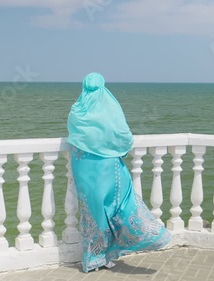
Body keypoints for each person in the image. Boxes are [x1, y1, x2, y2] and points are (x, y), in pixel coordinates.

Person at [67, 72, 172, 273]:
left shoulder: (76, 111)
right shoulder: (110, 109)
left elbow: (76, 138)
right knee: (119, 206)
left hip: (84, 167)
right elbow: (123, 135)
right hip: (109, 166)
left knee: (93, 212)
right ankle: (147, 238)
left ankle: (95, 257)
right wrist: (119, 150)